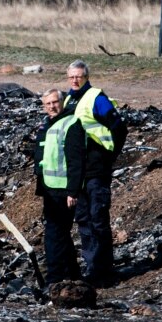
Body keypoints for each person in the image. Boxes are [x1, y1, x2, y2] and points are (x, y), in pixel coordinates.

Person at [63, 59, 127, 287]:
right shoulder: (68, 100)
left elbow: (119, 127)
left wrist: (109, 155)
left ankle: (104, 271)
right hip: (78, 174)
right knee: (84, 222)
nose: (75, 80)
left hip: (96, 171)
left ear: (86, 76)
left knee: (98, 220)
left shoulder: (96, 98)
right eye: (71, 76)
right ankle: (93, 270)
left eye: (78, 76)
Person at [34, 88, 87, 285]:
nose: (51, 107)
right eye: (47, 104)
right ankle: (73, 275)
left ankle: (55, 279)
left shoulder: (71, 123)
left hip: (63, 190)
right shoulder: (48, 123)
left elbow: (76, 160)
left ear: (62, 102)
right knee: (61, 234)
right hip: (49, 189)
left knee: (54, 236)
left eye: (55, 102)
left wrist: (73, 191)